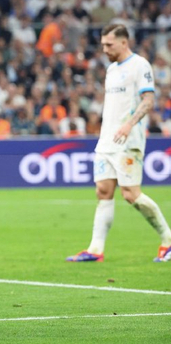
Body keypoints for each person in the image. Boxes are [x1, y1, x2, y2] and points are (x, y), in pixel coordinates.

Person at [67, 24, 171, 263]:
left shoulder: (140, 65)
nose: (104, 49)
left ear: (124, 42)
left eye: (109, 44)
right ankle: (95, 250)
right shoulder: (112, 69)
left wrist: (129, 124)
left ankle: (168, 240)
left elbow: (148, 100)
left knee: (131, 194)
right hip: (107, 141)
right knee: (103, 191)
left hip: (128, 141)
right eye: (103, 44)